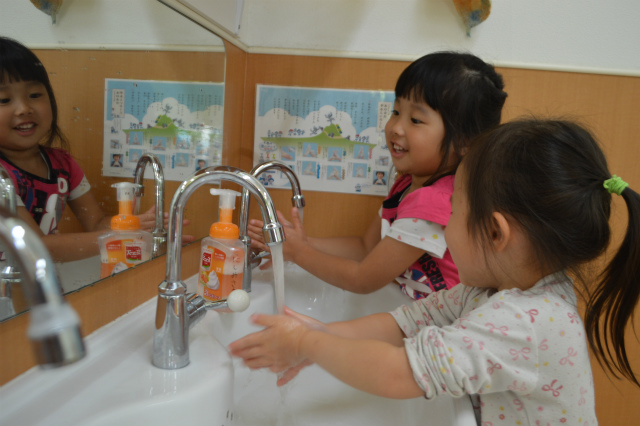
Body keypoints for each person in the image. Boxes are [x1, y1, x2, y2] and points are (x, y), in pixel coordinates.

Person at [230, 118, 640, 426]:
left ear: (495, 232)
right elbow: (406, 323)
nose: (445, 223)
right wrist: (324, 334)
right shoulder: (494, 289)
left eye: (454, 210)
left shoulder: (524, 322)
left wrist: (308, 343)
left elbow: (397, 374)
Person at [249, 51, 507, 298]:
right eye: (396, 112)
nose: (396, 128)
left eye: (415, 120)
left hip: (447, 322)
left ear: (464, 142)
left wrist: (298, 252)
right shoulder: (406, 184)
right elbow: (366, 247)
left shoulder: (435, 202)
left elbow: (362, 279)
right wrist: (302, 243)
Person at [0, 37, 193, 262]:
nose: (24, 109)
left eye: (34, 95)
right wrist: (123, 236)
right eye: (4, 99)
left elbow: (96, 223)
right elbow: (35, 247)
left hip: (37, 279)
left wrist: (138, 226)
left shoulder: (62, 164)